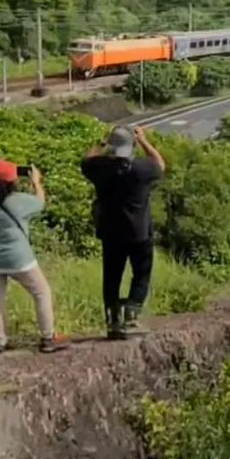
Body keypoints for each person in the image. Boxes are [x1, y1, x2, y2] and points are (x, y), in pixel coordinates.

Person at [80, 124, 165, 340]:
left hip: (110, 232)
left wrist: (102, 142)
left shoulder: (100, 167)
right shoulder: (142, 169)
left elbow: (86, 159)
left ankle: (113, 322)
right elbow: (160, 164)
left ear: (112, 146)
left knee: (111, 277)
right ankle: (131, 316)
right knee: (141, 274)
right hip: (139, 232)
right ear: (132, 145)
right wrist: (143, 140)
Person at [0, 159, 67, 354]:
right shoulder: (18, 201)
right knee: (41, 292)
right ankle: (48, 338)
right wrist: (36, 182)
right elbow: (40, 202)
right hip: (17, 257)